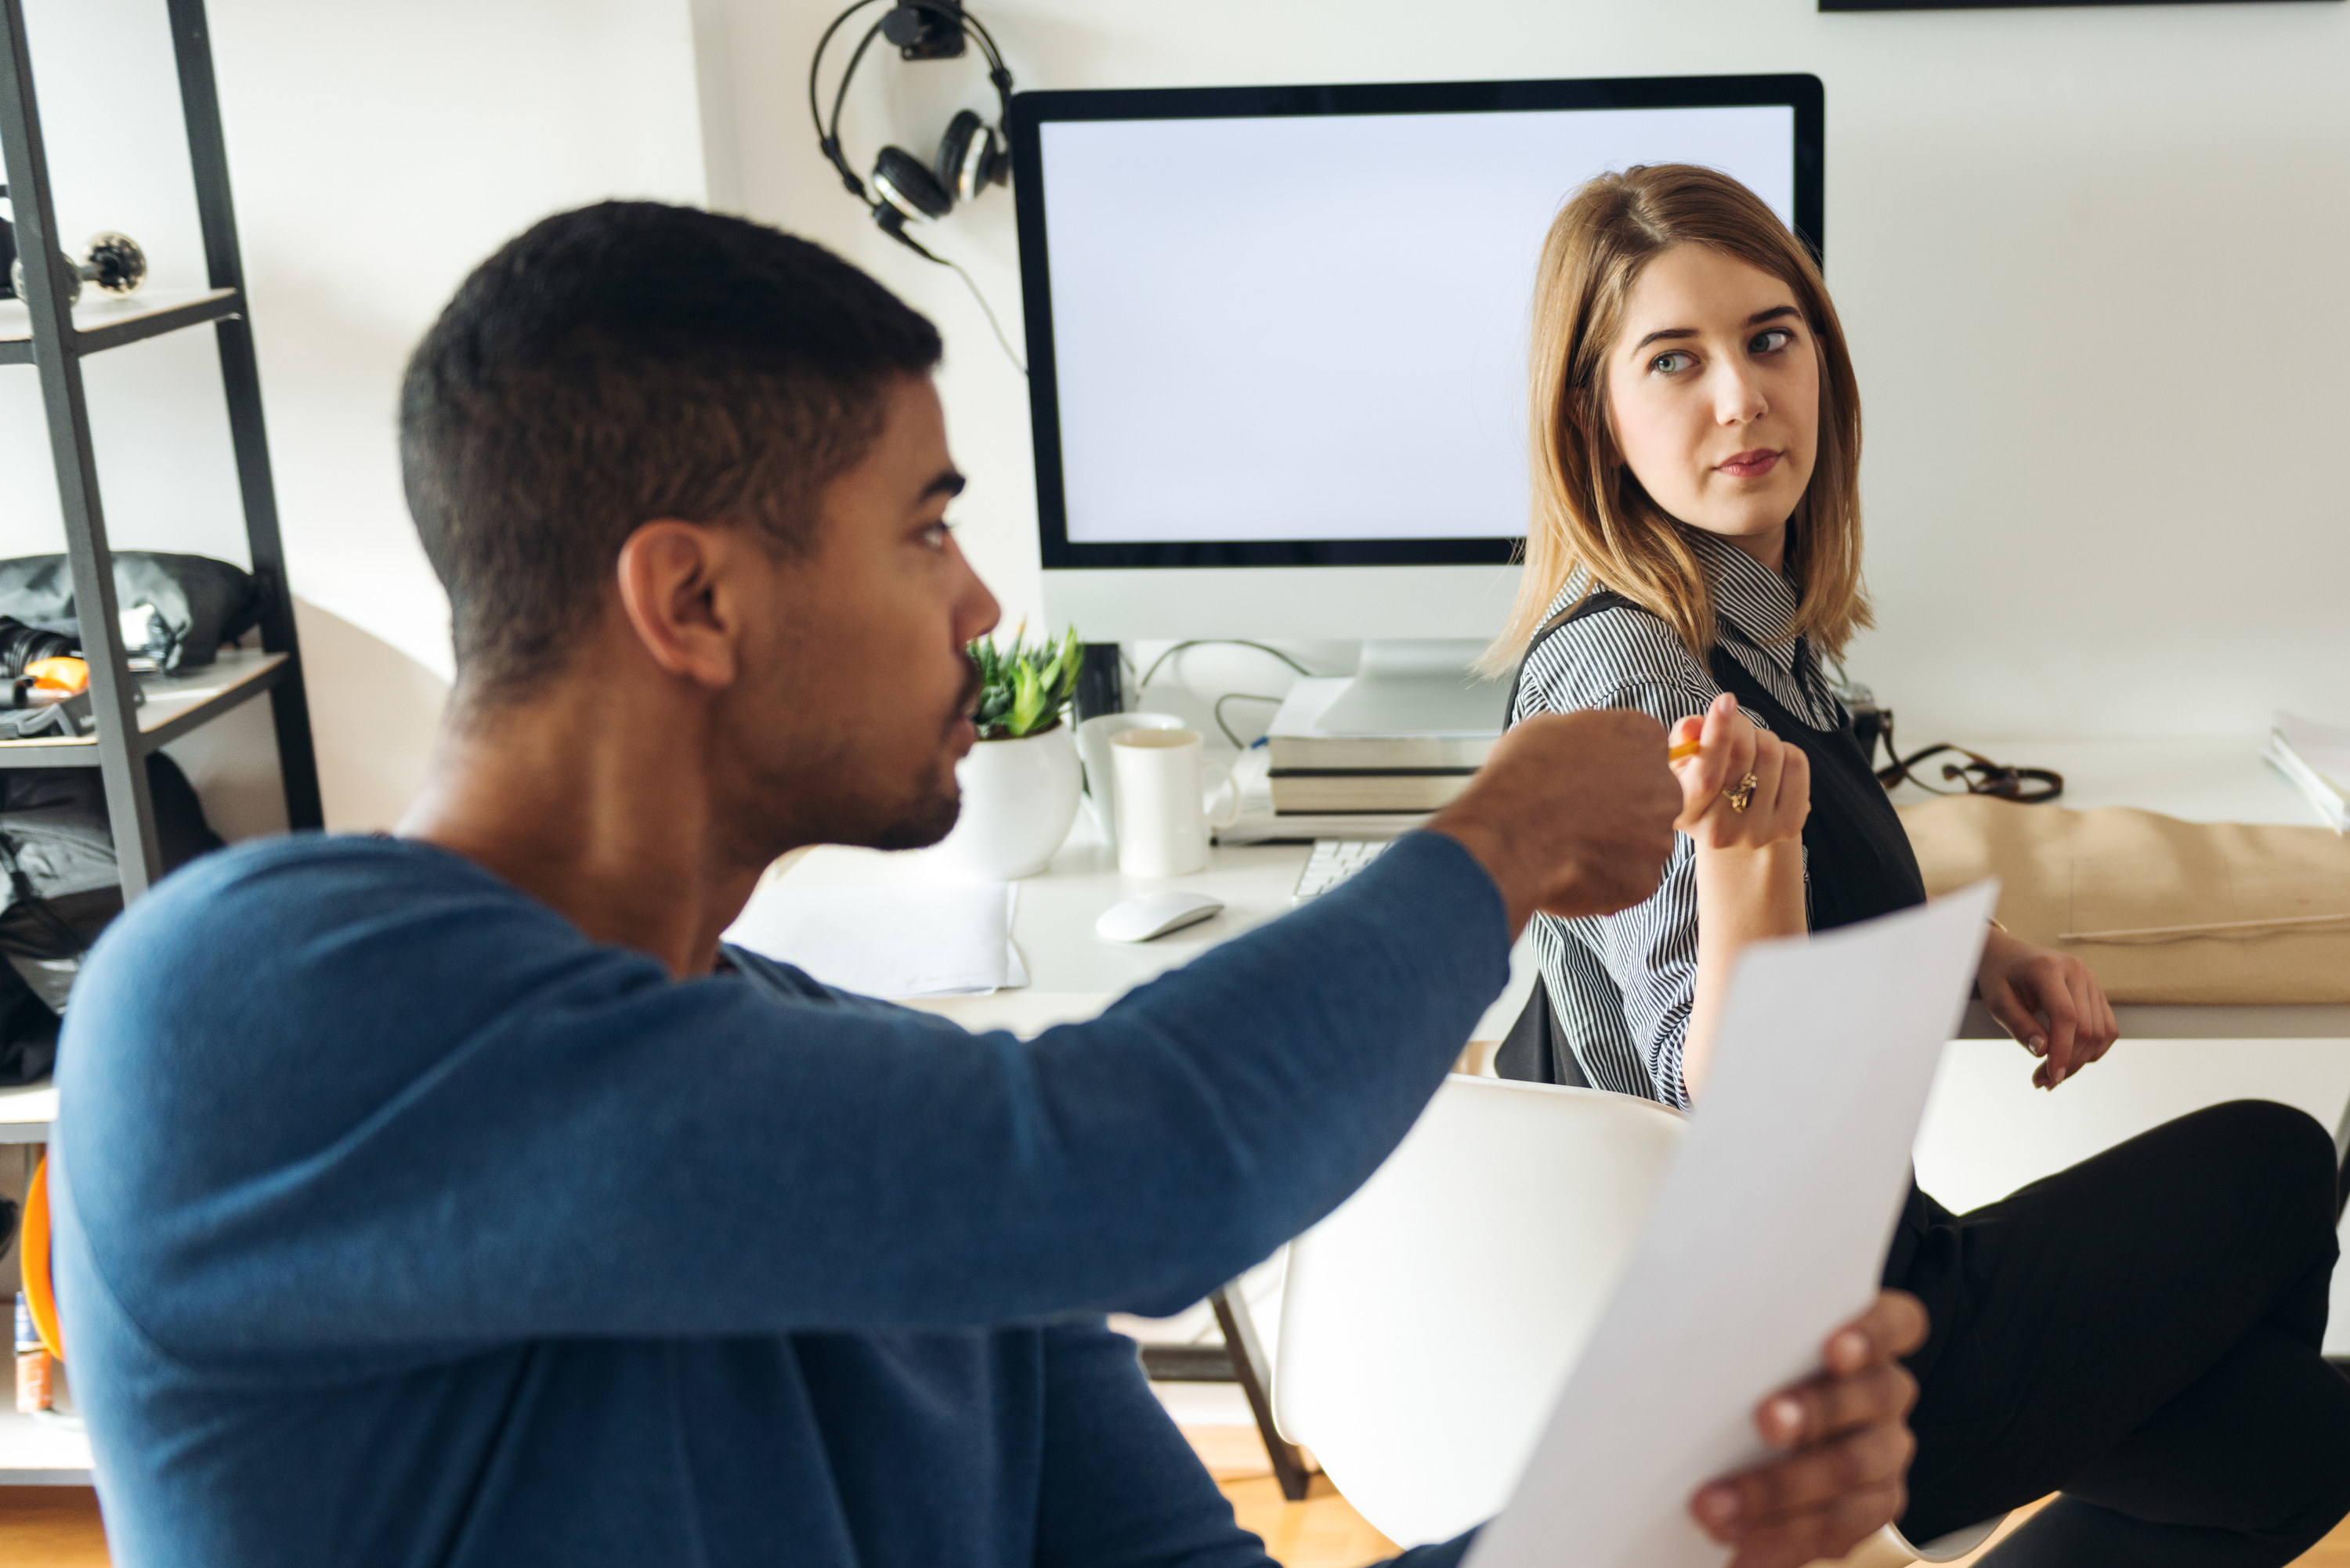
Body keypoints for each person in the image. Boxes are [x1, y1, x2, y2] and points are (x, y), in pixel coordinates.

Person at [52, 201, 1926, 1568]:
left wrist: (1661, 1526)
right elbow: (1140, 1169)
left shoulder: (868, 1123)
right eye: (930, 526)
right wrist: (1502, 835)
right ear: (692, 599)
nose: (981, 606)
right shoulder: (242, 1003)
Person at [1491, 162, 2350, 1565]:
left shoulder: (1758, 631)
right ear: (1593, 412)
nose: (1740, 397)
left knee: (2288, 1438)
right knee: (2273, 1175)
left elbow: (1812, 887)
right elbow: (1712, 1090)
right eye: (1674, 360)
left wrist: (1980, 949)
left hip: (1845, 1266)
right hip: (1780, 1346)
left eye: (1772, 339)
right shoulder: (1628, 665)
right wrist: (1751, 866)